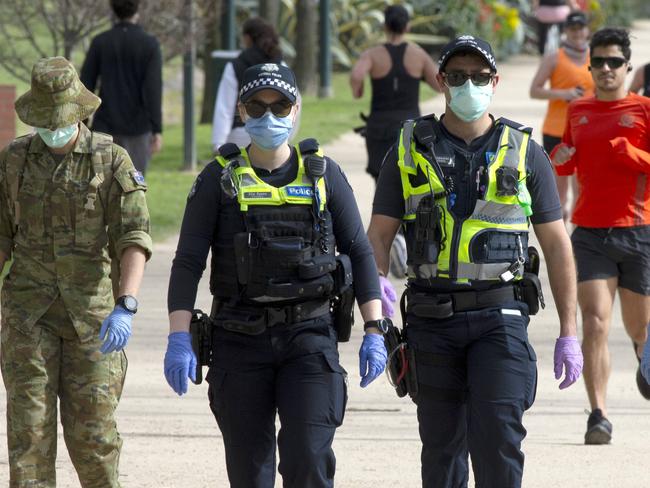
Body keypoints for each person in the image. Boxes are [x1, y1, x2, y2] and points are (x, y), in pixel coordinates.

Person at [367, 35, 583, 487]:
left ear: (495, 82)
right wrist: (375, 297)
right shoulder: (408, 148)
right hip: (431, 319)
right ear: (442, 82)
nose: (469, 85)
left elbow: (557, 245)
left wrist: (569, 332)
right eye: (459, 77)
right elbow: (379, 236)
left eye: (479, 77)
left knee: (498, 437)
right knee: (442, 449)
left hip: (500, 316)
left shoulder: (525, 152)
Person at [163, 63, 388, 487]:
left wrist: (374, 328)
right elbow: (188, 260)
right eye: (257, 106)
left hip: (309, 337)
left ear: (296, 108)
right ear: (242, 113)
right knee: (249, 470)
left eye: (280, 105)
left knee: (308, 457)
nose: (269, 116)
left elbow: (359, 249)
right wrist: (178, 335)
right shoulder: (218, 180)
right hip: (238, 338)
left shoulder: (324, 176)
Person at [0, 57, 152, 487]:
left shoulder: (111, 160)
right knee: (28, 437)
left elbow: (133, 237)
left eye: (60, 119)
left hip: (93, 320)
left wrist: (127, 303)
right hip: (27, 317)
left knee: (94, 440)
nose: (54, 129)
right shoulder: (13, 162)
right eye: (45, 121)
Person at [551, 27, 650, 445]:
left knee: (640, 329)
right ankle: (598, 415)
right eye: (600, 62)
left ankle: (644, 361)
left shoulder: (644, 109)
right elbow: (566, 162)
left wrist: (629, 154)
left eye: (614, 62)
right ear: (590, 66)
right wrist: (560, 159)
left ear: (628, 66)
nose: (607, 69)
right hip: (589, 231)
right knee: (593, 323)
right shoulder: (578, 111)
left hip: (638, 231)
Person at [350, 5, 440, 279]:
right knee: (412, 182)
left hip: (379, 127)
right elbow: (438, 82)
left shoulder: (373, 54)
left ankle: (391, 237)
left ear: (385, 26)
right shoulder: (417, 54)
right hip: (409, 128)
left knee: (383, 182)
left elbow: (355, 76)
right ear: (408, 26)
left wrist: (360, 89)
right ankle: (405, 236)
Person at [81, 0, 163, 175]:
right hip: (138, 129)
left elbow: (86, 85)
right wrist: (157, 129)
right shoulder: (150, 44)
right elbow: (153, 90)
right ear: (137, 10)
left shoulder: (100, 42)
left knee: (100, 188)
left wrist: (82, 123)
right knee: (133, 188)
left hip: (104, 126)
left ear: (113, 10)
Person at [529, 10, 594, 221]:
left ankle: (578, 243)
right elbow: (534, 90)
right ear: (566, 31)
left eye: (580, 28)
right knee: (558, 192)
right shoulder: (554, 57)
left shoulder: (597, 58)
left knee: (583, 190)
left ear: (587, 30)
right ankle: (560, 242)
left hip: (587, 131)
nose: (577, 33)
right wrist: (563, 94)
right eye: (572, 29)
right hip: (556, 131)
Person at [211, 17, 282, 153]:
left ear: (248, 38)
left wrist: (218, 143)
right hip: (274, 132)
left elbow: (224, 107)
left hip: (241, 133)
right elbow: (296, 100)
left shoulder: (236, 66)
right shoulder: (280, 64)